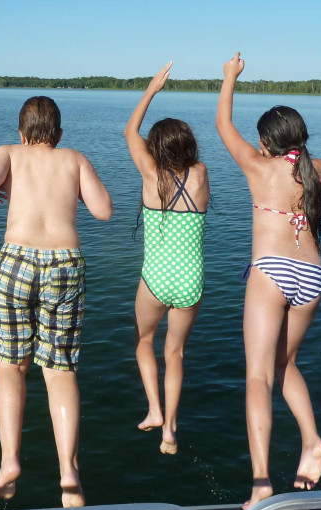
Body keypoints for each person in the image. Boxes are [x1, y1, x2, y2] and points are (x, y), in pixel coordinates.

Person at [0, 96, 112, 507]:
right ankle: (69, 474)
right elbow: (104, 211)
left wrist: (3, 181)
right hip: (65, 265)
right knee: (60, 371)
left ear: (21, 132)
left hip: (17, 262)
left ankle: (10, 462)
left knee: (11, 366)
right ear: (59, 134)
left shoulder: (9, 153)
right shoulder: (74, 159)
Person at [216, 52, 321, 509]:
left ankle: (261, 481)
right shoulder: (318, 170)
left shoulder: (259, 168)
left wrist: (229, 78)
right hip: (313, 275)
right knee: (286, 366)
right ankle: (312, 440)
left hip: (272, 273)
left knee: (259, 376)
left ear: (267, 142)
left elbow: (223, 125)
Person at [124, 62, 210, 456]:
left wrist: (151, 90)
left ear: (156, 149)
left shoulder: (149, 174)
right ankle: (170, 430)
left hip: (155, 277)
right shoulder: (201, 174)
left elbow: (130, 132)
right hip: (190, 280)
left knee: (145, 341)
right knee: (174, 353)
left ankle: (155, 410)